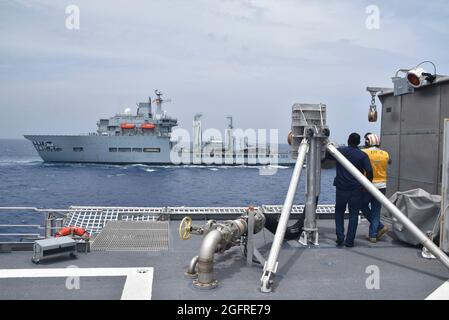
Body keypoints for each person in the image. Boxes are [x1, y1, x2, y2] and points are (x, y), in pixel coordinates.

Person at [333, 133, 373, 247]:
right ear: (358, 142)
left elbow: (326, 156)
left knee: (339, 212)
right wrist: (366, 185)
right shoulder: (362, 155)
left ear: (348, 140)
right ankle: (349, 241)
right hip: (356, 190)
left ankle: (340, 237)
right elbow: (369, 172)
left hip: (341, 188)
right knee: (354, 214)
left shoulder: (340, 151)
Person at [361, 133, 390, 243]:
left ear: (367, 142)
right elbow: (388, 162)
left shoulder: (364, 152)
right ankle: (373, 235)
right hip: (382, 185)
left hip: (368, 185)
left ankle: (380, 227)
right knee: (376, 210)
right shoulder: (385, 154)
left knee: (362, 205)